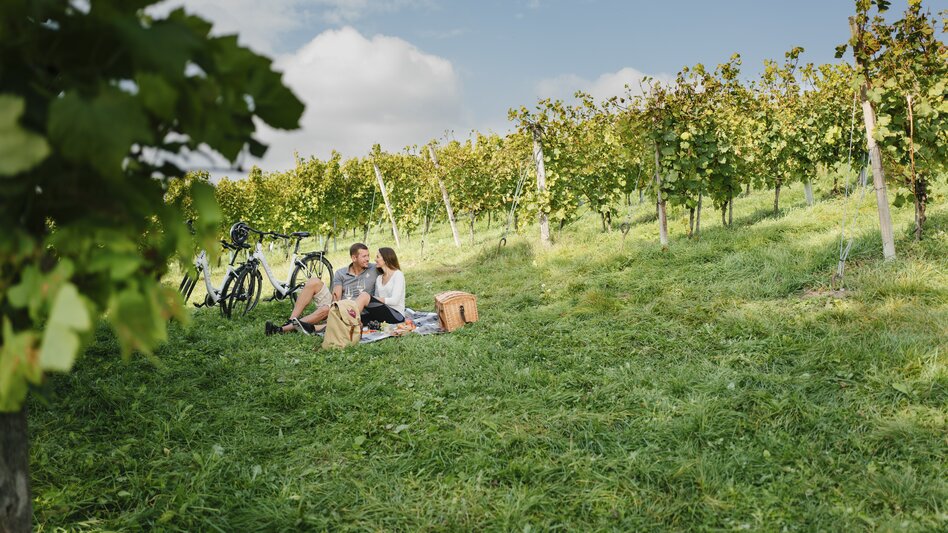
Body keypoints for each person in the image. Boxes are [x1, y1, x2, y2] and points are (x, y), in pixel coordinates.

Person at [265, 242, 376, 335]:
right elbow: (336, 296)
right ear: (354, 258)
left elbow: (386, 263)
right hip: (340, 304)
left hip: (355, 310)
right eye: (364, 256)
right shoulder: (341, 273)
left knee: (325, 309)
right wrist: (335, 308)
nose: (368, 259)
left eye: (368, 255)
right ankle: (291, 320)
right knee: (313, 282)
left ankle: (282, 329)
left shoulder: (374, 269)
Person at [354, 247, 406, 326]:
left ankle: (351, 325)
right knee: (361, 317)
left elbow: (395, 300)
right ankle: (347, 324)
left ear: (385, 259)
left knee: (364, 296)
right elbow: (376, 303)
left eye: (378, 257)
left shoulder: (398, 275)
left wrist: (370, 298)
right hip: (383, 312)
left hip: (396, 315)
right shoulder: (379, 278)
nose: (375, 259)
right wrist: (370, 300)